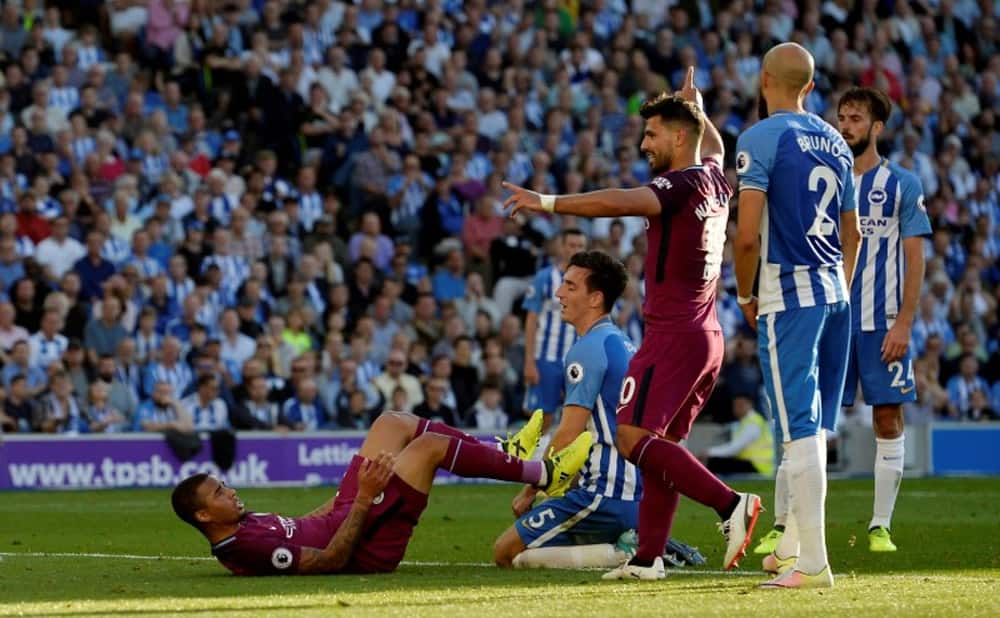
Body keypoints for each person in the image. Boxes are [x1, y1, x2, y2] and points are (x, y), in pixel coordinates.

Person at [504, 68, 760, 581]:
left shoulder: (678, 185)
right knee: (660, 449)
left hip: (672, 334)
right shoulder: (713, 177)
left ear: (678, 135)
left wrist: (548, 203)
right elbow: (716, 145)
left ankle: (731, 503)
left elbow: (618, 201)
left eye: (652, 133)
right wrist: (699, 108)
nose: (644, 143)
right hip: (705, 335)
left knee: (630, 436)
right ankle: (648, 558)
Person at [755, 86, 931, 560]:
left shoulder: (902, 185)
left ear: (877, 128)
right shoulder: (822, 171)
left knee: (886, 415)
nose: (846, 124)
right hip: (824, 309)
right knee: (802, 415)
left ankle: (879, 525)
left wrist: (905, 324)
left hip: (881, 321)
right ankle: (782, 524)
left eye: (856, 118)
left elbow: (915, 260)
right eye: (843, 116)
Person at [733, 43, 861, 589]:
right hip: (836, 293)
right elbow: (852, 232)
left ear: (764, 79)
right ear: (808, 87)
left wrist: (744, 295)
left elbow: (745, 238)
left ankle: (814, 563)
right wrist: (842, 289)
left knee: (798, 428)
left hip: (789, 293)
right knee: (806, 425)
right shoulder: (836, 140)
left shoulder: (759, 138)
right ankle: (789, 546)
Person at [171, 413, 592, 575]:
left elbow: (308, 526)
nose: (231, 491)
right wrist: (360, 497)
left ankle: (502, 452)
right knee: (427, 449)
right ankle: (544, 473)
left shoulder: (242, 524)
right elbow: (332, 560)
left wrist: (345, 496)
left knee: (391, 422)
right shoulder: (244, 547)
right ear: (205, 516)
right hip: (367, 547)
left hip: (348, 513)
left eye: (223, 485)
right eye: (218, 493)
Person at [493, 250, 640, 570]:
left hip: (604, 495)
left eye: (571, 287)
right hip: (632, 492)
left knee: (506, 553)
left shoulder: (587, 349)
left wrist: (530, 491)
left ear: (595, 299)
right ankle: (627, 539)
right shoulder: (624, 342)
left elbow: (568, 432)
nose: (559, 293)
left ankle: (622, 552)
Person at [522, 228, 587, 440]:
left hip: (577, 361)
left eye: (580, 246)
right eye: (571, 245)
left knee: (578, 417)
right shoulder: (545, 278)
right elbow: (531, 320)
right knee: (542, 416)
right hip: (546, 358)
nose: (576, 250)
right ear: (561, 247)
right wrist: (529, 361)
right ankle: (530, 464)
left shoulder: (590, 282)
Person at [701, 395, 775, 476]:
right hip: (752, 464)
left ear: (750, 405)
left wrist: (710, 452)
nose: (737, 408)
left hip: (758, 467)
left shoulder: (753, 423)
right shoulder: (745, 422)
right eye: (735, 405)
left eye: (741, 405)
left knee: (715, 462)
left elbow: (735, 448)